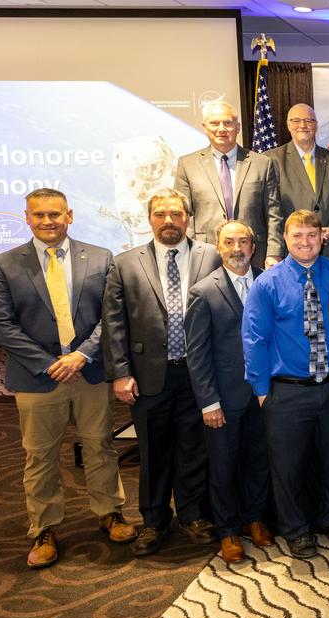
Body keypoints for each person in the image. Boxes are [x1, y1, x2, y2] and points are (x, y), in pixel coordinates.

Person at [0, 188, 135, 569]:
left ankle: (110, 513)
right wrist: (50, 363)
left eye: (55, 214)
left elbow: (111, 316)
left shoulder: (100, 258)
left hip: (89, 371)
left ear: (69, 215)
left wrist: (81, 355)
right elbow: (0, 324)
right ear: (27, 218)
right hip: (38, 378)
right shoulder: (4, 264)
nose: (48, 221)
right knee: (40, 456)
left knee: (100, 446)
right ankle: (44, 528)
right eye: (39, 215)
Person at [102, 189, 223, 557]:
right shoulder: (125, 263)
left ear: (187, 217)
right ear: (149, 218)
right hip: (148, 374)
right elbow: (114, 323)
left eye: (175, 213)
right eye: (160, 214)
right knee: (153, 450)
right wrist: (120, 373)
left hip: (197, 373)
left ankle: (192, 516)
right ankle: (154, 521)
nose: (168, 221)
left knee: (193, 447)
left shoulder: (211, 256)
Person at [242, 209, 329, 559]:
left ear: (322, 238)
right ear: (286, 240)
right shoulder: (267, 283)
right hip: (286, 391)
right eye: (298, 236)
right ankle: (296, 530)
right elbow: (254, 339)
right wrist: (260, 389)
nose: (306, 242)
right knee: (288, 467)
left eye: (312, 235)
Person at [183, 221, 272, 564]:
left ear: (253, 245)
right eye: (229, 242)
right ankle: (227, 531)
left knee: (258, 460)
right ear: (218, 248)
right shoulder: (203, 292)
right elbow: (198, 353)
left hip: (264, 395)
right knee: (222, 466)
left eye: (244, 241)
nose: (237, 248)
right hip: (223, 398)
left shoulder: (267, 282)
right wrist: (208, 402)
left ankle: (254, 519)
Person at [173, 100, 283, 268]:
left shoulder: (262, 163)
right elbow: (184, 214)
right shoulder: (187, 164)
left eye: (227, 123)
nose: (221, 129)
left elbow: (273, 212)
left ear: (237, 127)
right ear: (205, 127)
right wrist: (189, 252)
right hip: (205, 254)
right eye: (214, 123)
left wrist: (274, 252)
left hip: (254, 254)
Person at [266, 104, 329, 263]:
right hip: (292, 251)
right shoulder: (270, 160)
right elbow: (270, 208)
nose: (302, 125)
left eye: (309, 120)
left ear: (316, 125)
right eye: (296, 120)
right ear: (288, 125)